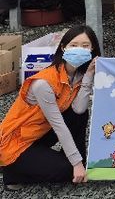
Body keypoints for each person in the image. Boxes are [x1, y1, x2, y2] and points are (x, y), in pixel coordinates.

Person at [0, 25, 100, 189]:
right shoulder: (44, 83)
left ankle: (59, 161)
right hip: (17, 142)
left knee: (79, 115)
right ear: (63, 47)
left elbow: (79, 110)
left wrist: (89, 75)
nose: (79, 50)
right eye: (74, 45)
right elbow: (58, 124)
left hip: (38, 134)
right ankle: (12, 172)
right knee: (68, 171)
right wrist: (76, 164)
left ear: (92, 49)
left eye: (85, 46)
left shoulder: (78, 76)